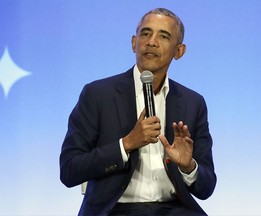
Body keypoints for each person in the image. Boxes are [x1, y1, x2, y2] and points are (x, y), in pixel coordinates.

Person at [60, 8, 216, 216]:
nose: (151, 42)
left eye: (163, 36)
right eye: (145, 34)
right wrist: (126, 145)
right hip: (115, 209)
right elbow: (69, 170)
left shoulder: (192, 102)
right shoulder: (97, 95)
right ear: (134, 43)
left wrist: (189, 167)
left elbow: (206, 188)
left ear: (179, 51)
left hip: (174, 209)